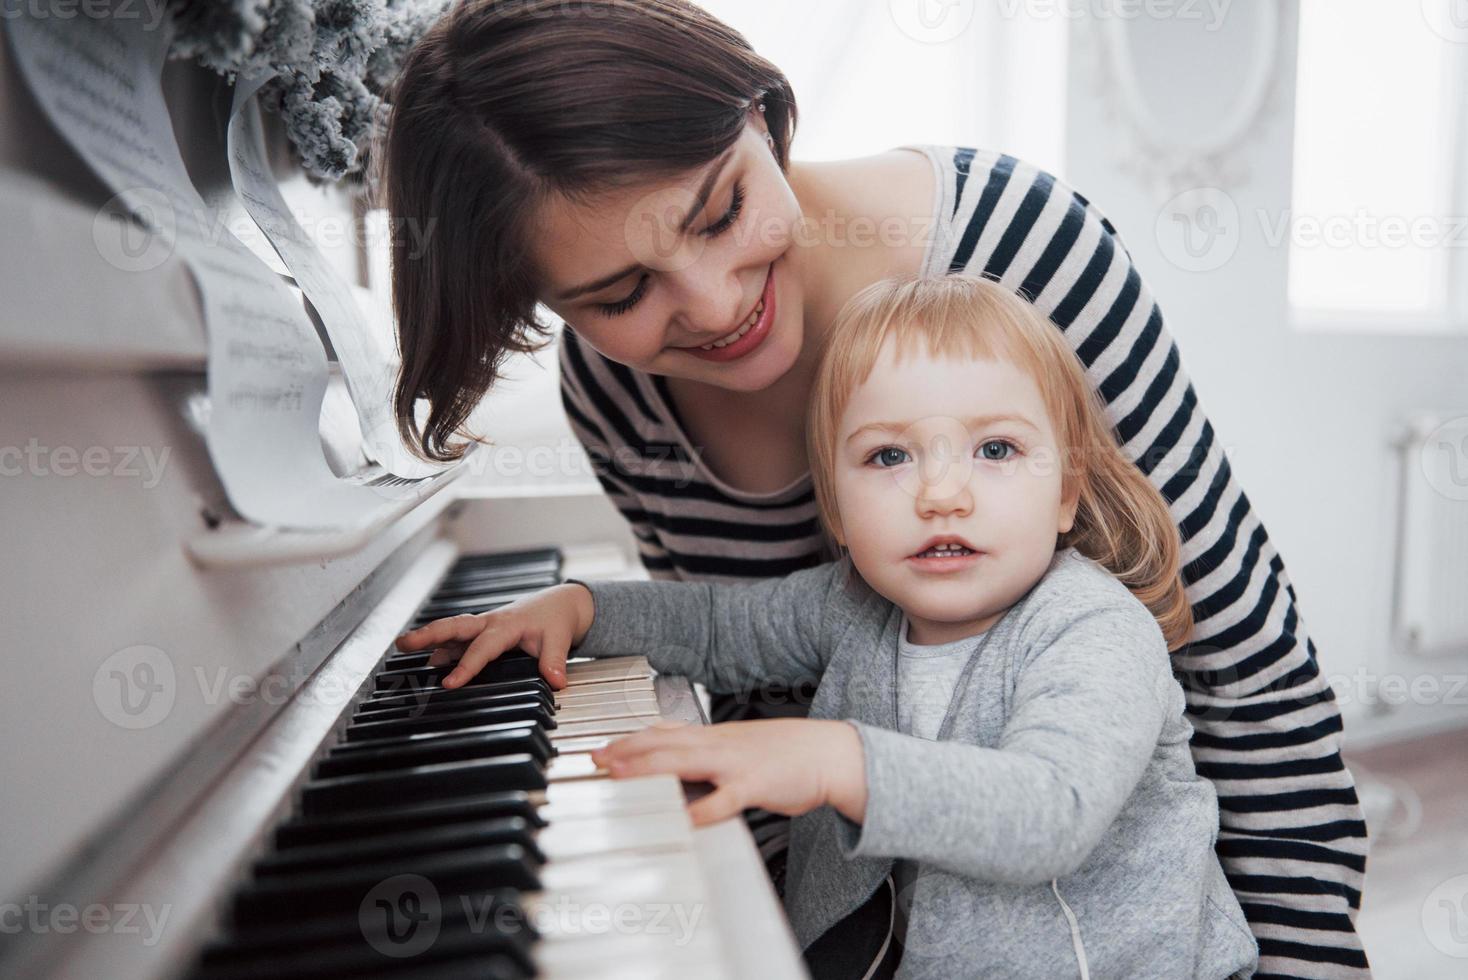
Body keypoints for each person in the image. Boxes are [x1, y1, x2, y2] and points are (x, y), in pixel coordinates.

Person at [379, 2, 1368, 974]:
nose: (716, 305)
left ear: (761, 116)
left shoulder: (1029, 279)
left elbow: (1247, 677)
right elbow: (730, 655)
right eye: (620, 293)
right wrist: (585, 609)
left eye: (720, 210)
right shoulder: (622, 397)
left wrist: (1308, 959)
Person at [396, 273, 1263, 979]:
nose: (942, 492)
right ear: (838, 509)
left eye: (995, 450)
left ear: (1067, 489)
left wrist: (837, 760)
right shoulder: (854, 602)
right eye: (889, 456)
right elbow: (717, 626)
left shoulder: (1090, 630)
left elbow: (1052, 812)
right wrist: (582, 608)